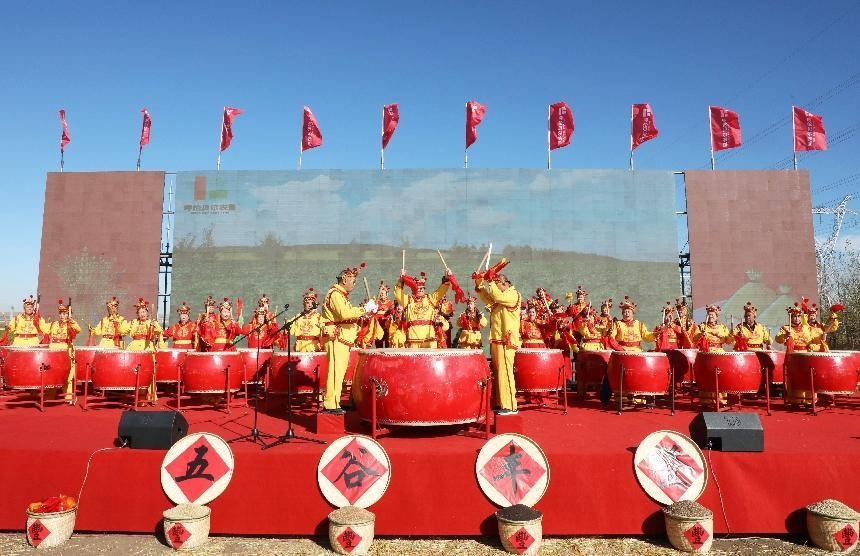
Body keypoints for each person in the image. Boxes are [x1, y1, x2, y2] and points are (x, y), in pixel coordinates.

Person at [321, 263, 377, 414]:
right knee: (335, 371)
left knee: (339, 372)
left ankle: (335, 401)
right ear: (345, 279)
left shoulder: (342, 296)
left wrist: (367, 312)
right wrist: (364, 308)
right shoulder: (335, 294)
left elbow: (350, 315)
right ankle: (330, 404)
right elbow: (345, 314)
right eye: (353, 280)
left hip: (342, 338)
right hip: (336, 338)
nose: (354, 284)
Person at [474, 269, 521, 415]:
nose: (494, 286)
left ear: (504, 283)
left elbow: (495, 295)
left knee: (506, 372)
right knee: (499, 372)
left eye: (496, 283)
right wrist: (479, 282)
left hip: (506, 341)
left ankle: (510, 405)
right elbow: (487, 297)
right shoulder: (499, 297)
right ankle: (501, 402)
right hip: (497, 339)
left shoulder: (513, 294)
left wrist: (489, 281)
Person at [394, 270, 451, 349]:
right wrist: (400, 281)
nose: (421, 290)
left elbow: (440, 292)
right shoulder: (408, 301)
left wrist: (447, 278)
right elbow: (398, 293)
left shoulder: (430, 299)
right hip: (413, 340)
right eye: (418, 288)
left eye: (422, 288)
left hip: (429, 339)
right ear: (413, 289)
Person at [125, 298, 164, 403]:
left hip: (147, 347)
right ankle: (135, 394)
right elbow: (124, 330)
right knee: (135, 370)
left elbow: (159, 331)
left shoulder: (151, 322)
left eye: (144, 312)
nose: (142, 314)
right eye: (140, 312)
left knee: (150, 371)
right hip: (135, 347)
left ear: (147, 313)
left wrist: (154, 325)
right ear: (137, 314)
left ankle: (151, 395)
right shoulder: (133, 322)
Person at [47, 300, 80, 403]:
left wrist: (71, 321)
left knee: (67, 374)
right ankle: (49, 395)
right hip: (54, 351)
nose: (63, 316)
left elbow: (78, 329)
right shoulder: (54, 324)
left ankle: (68, 396)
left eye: (65, 314)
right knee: (52, 373)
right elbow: (45, 329)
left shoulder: (70, 325)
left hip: (66, 351)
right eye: (61, 313)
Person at [289, 288, 324, 352]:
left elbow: (324, 329)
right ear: (304, 304)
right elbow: (289, 325)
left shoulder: (318, 316)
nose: (310, 305)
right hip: (300, 345)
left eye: (312, 303)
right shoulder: (298, 316)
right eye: (308, 303)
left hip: (313, 345)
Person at [374, 281, 395, 347]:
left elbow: (393, 312)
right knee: (378, 344)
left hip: (387, 326)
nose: (381, 295)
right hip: (378, 326)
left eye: (383, 294)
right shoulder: (377, 303)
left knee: (387, 343)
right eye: (380, 294)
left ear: (386, 294)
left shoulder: (390, 303)